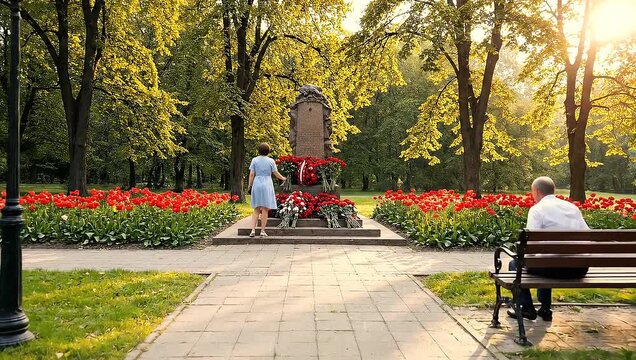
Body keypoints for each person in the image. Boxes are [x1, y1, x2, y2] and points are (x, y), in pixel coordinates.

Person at [507, 176, 589, 322]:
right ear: (553, 190)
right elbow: (588, 235)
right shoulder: (572, 208)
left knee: (516, 263)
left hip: (552, 269)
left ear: (537, 191)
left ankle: (526, 308)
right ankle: (545, 309)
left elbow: (531, 244)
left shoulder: (537, 210)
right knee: (544, 259)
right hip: (578, 269)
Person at [248, 143, 286, 237]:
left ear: (259, 151)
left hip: (257, 182)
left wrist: (250, 185)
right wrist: (284, 178)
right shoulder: (271, 161)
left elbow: (252, 174)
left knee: (256, 208)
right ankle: (262, 231)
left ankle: (253, 230)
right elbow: (275, 173)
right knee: (265, 209)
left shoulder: (254, 160)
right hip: (267, 183)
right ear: (268, 151)